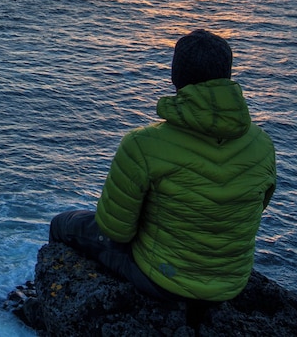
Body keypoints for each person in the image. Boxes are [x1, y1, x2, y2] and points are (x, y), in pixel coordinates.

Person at [50, 29, 276, 307]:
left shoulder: (143, 145)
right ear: (227, 76)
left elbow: (116, 230)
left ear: (175, 77)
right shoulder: (262, 144)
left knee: (63, 225)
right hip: (230, 284)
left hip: (162, 279)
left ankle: (42, 303)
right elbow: (256, 205)